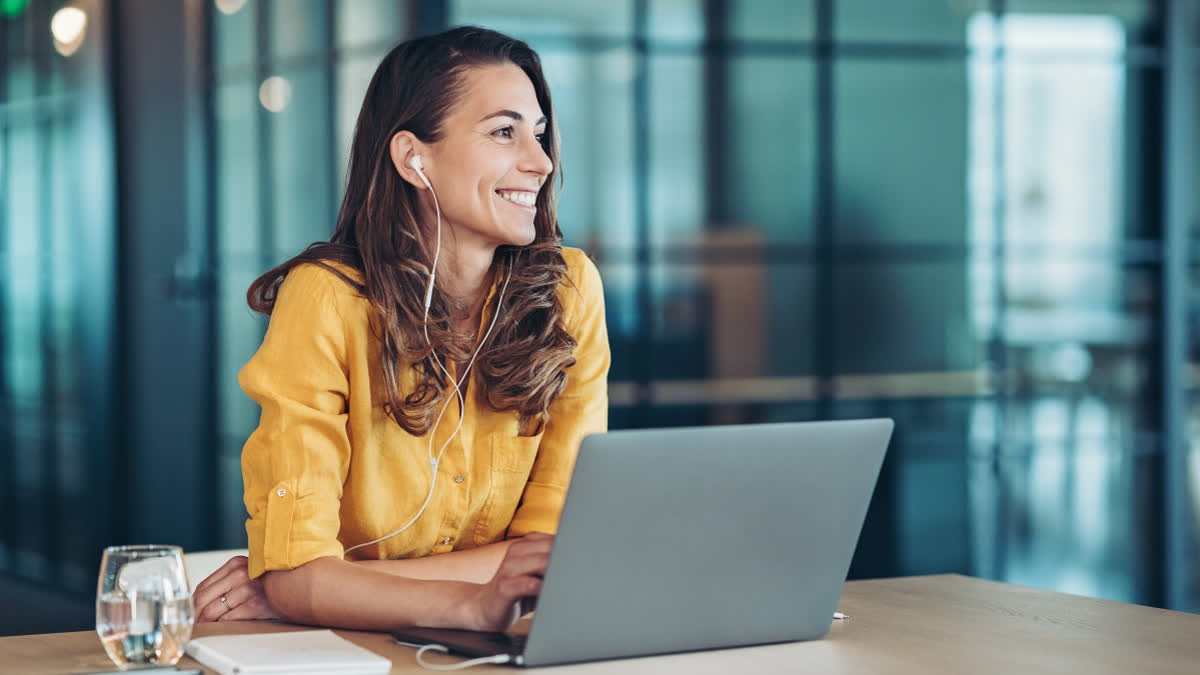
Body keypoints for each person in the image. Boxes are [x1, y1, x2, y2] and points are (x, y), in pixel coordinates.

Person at [191, 26, 609, 633]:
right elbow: (299, 572)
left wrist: (319, 588)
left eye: (539, 134)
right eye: (503, 132)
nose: (540, 162)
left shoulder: (571, 292)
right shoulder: (328, 298)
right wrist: (467, 597)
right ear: (415, 157)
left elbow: (550, 562)